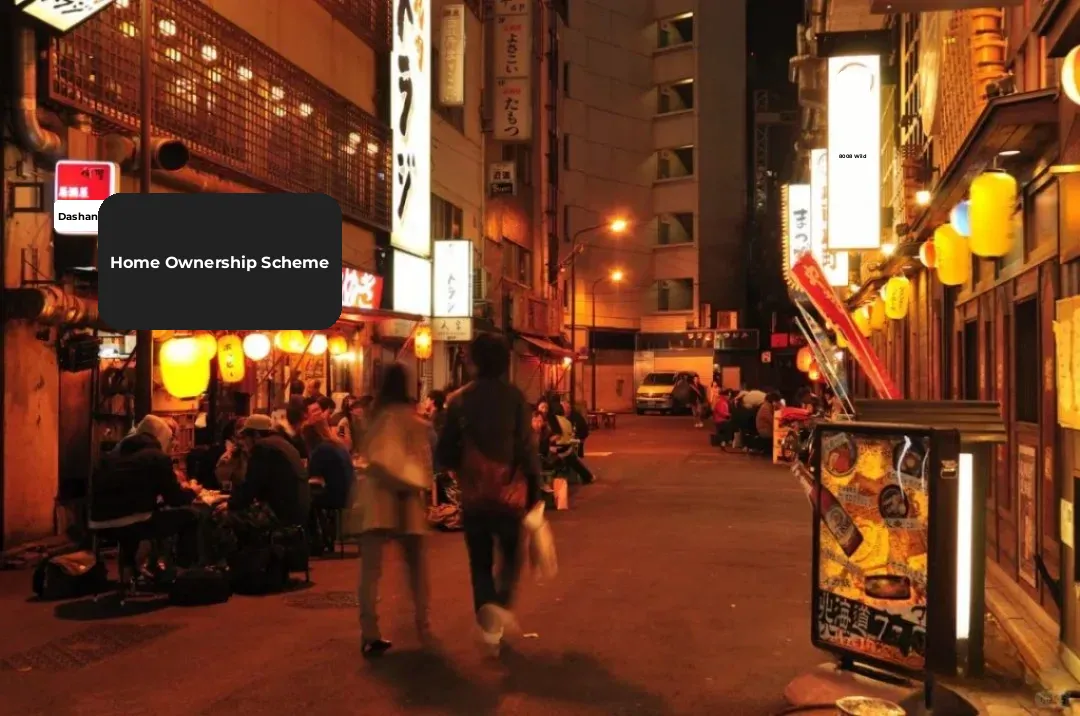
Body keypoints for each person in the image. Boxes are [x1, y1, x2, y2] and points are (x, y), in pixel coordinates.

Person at [436, 334, 542, 655]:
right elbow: (527, 448)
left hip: (475, 496)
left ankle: (489, 625)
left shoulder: (458, 400)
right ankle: (500, 606)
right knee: (511, 558)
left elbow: (443, 452)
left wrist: (463, 470)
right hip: (510, 495)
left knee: (479, 562)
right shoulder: (515, 399)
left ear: (474, 362)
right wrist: (536, 492)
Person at [356, 363, 433, 657]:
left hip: (377, 499)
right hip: (408, 499)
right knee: (416, 568)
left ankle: (369, 631)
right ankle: (422, 624)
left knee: (371, 571)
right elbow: (423, 464)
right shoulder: (413, 421)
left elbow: (374, 459)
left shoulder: (374, 418)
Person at [90, 414, 197, 582]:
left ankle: (129, 573)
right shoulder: (157, 457)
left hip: (98, 523)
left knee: (131, 518)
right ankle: (182, 573)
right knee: (191, 517)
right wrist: (193, 492)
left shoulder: (113, 456)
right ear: (162, 437)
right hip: (131, 521)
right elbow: (174, 498)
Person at [226, 415, 310, 529]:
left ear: (255, 435)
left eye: (245, 436)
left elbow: (250, 487)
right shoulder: (282, 443)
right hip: (299, 514)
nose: (244, 441)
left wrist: (230, 504)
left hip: (281, 515)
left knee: (221, 517)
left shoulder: (262, 447)